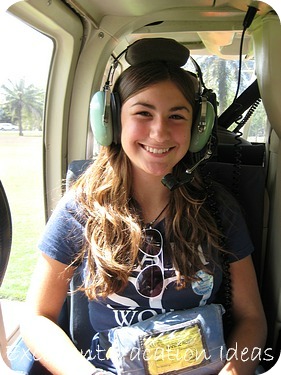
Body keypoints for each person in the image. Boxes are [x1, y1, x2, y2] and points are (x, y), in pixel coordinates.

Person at [21, 39, 267, 375]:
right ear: (111, 121)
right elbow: (37, 318)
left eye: (177, 115)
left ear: (198, 128)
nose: (159, 131)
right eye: (143, 113)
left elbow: (252, 317)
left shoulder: (218, 207)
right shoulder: (81, 208)